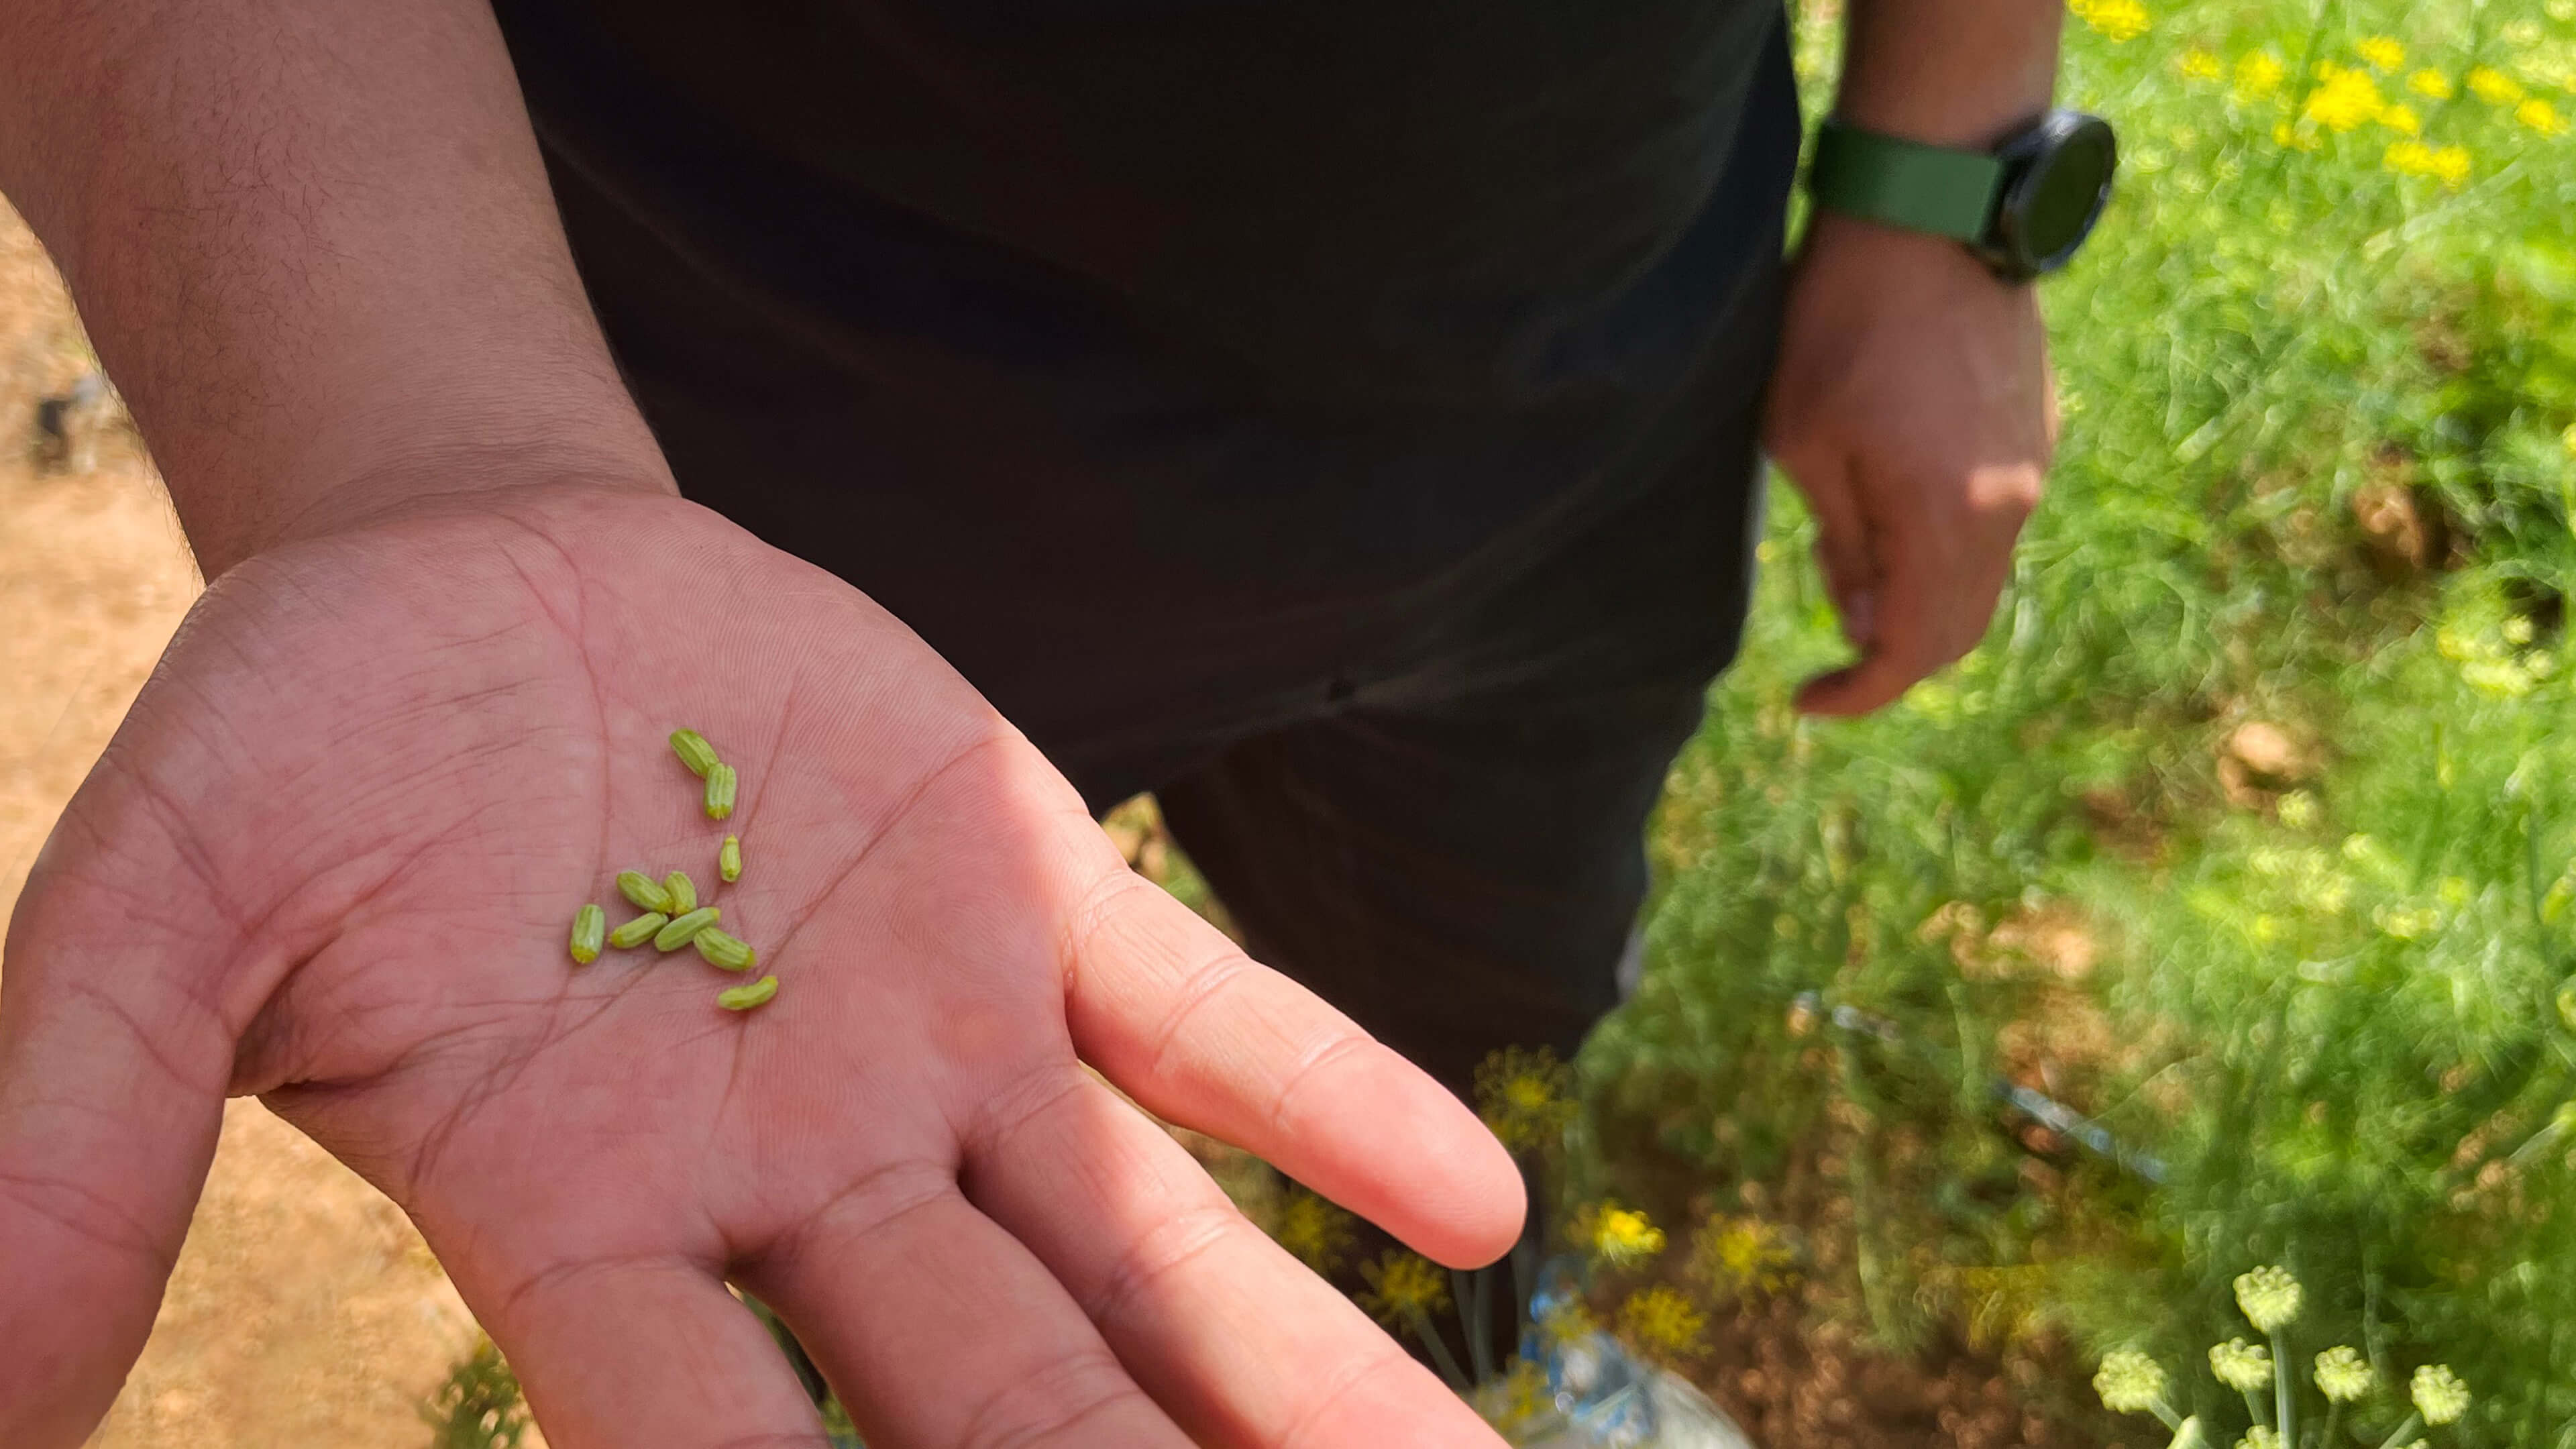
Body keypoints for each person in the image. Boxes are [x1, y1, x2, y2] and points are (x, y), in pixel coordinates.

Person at [0, 0, 2080, 1444]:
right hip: (765, 496)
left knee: (1478, 1017)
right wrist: (420, 454)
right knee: (910, 1140)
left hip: (1583, 428)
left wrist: (1944, 172)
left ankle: (1480, 1340)